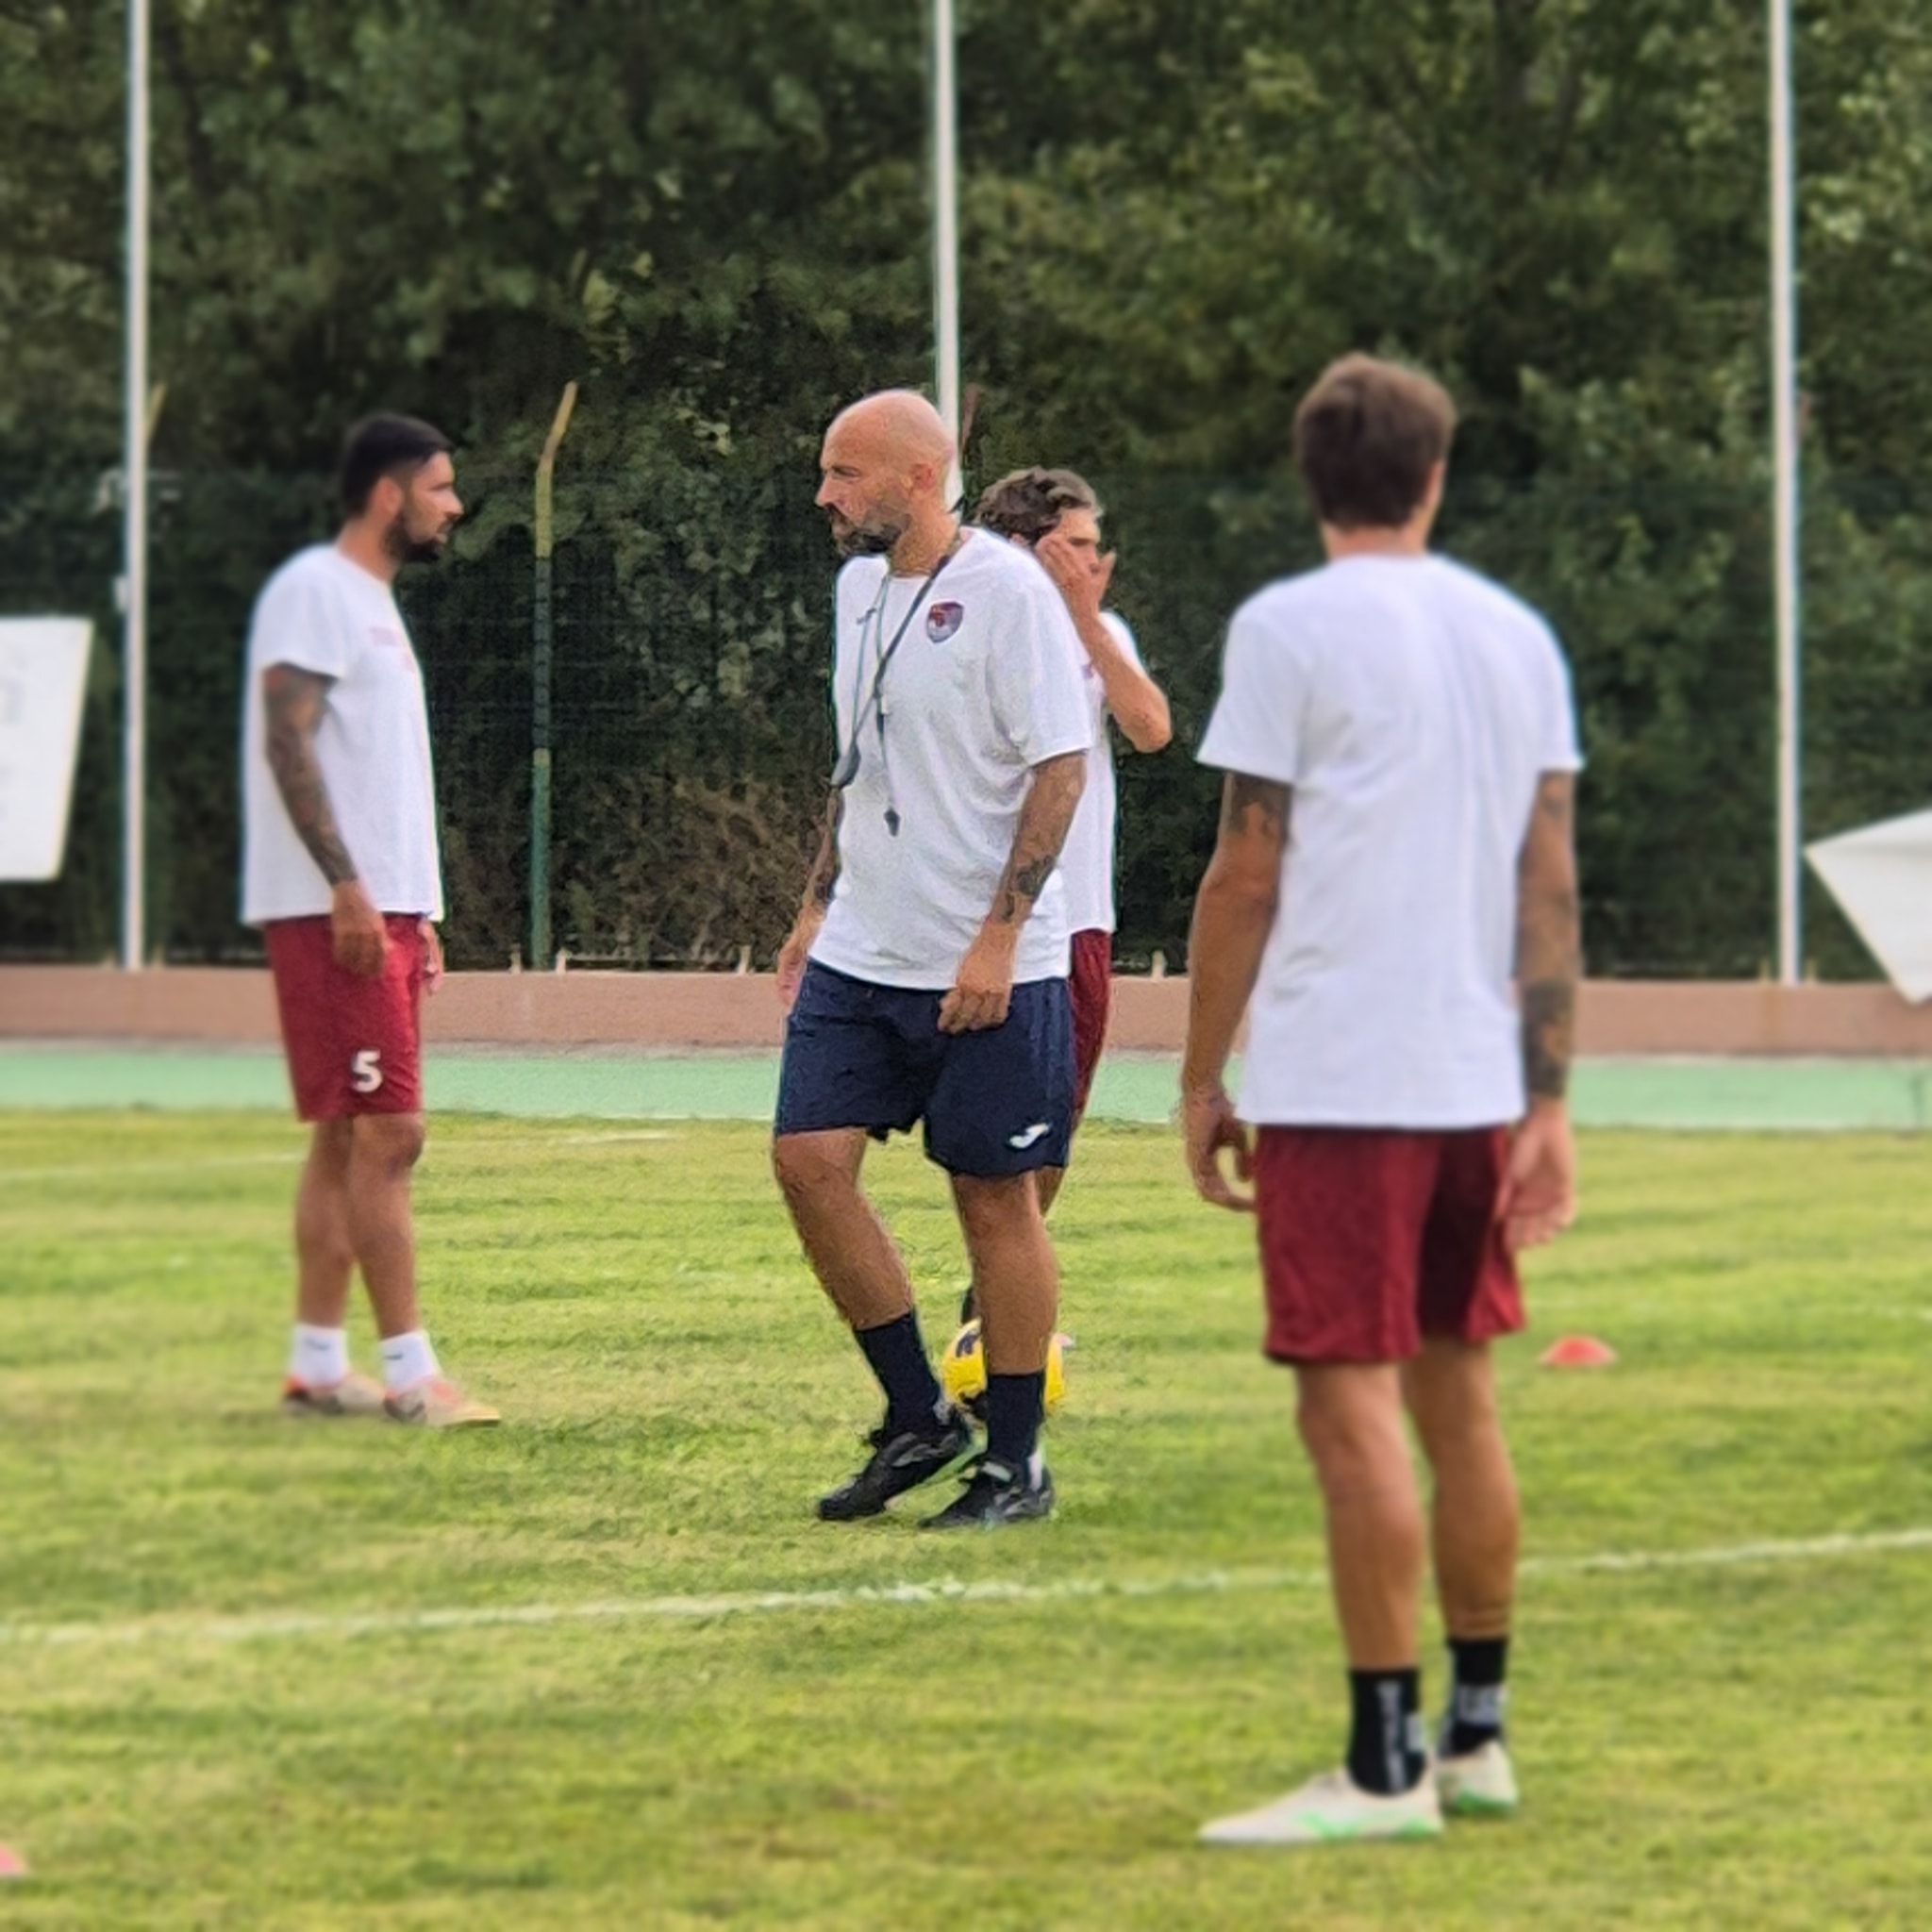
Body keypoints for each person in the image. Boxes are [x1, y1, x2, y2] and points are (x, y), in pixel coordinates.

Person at [1181, 355, 1582, 1845]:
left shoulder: (1287, 628)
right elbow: (1549, 884)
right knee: (1458, 1398)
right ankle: (1476, 1737)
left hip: (1340, 1083)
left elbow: (1244, 868)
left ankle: (1381, 1766)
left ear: (1311, 477)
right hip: (1473, 1078)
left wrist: (1203, 1074)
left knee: (1352, 1418)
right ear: (1435, 474)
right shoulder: (1516, 634)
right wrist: (1548, 1095)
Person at [772, 390, 1091, 1529]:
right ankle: (915, 1415)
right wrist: (816, 903)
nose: (824, 494)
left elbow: (1062, 766)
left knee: (990, 1197)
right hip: (866, 947)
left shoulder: (1007, 594)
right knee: (807, 1160)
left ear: (918, 477)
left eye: (844, 473)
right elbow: (853, 762)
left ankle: (1015, 1461)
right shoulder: (856, 592)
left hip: (986, 959)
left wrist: (999, 933)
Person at [241, 413, 497, 1428]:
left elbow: (374, 772)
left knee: (349, 1136)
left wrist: (417, 907)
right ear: (389, 495)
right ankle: (409, 1374)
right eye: (439, 487)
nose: (454, 505)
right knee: (391, 1131)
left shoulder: (373, 608)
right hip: (334, 909)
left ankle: (314, 1360)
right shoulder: (317, 590)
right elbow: (287, 739)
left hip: (379, 909)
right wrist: (346, 886)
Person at [960, 468, 1171, 1312]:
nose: (1097, 561)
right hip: (979, 919)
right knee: (988, 1136)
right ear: (1025, 547)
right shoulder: (969, 625)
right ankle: (997, 1312)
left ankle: (994, 1309)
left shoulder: (1100, 632)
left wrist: (1084, 617)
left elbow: (1152, 728)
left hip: (1075, 918)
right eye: (1076, 546)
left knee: (1052, 1131)